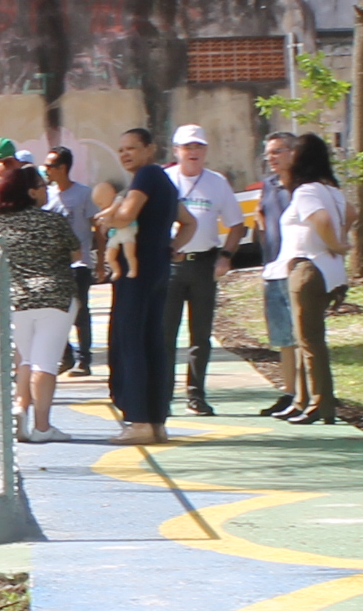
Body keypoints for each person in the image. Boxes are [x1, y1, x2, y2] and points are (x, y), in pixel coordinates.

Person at [0, 162, 83, 443]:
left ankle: (20, 407)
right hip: (56, 296)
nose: (47, 189)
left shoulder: (0, 220)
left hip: (17, 297)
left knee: (26, 359)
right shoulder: (53, 221)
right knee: (46, 364)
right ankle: (41, 427)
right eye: (42, 185)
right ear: (31, 192)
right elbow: (76, 253)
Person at [101, 126, 182, 444]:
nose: (125, 154)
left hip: (136, 275)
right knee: (151, 344)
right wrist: (174, 246)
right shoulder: (163, 181)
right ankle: (155, 419)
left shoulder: (147, 176)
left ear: (150, 148)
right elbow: (188, 222)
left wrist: (108, 216)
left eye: (132, 148)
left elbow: (126, 216)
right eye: (121, 150)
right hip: (156, 268)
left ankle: (137, 419)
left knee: (129, 342)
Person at [267, 134, 350, 424]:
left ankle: (320, 403)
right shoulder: (332, 190)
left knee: (311, 341)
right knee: (305, 339)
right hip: (328, 269)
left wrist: (335, 243)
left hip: (309, 268)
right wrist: (339, 244)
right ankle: (303, 399)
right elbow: (352, 213)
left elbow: (323, 220)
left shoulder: (306, 192)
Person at [163, 125, 244, 416]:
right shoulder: (165, 179)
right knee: (165, 333)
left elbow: (237, 225)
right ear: (176, 151)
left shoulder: (217, 183)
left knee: (200, 335)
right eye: (187, 147)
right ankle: (164, 395)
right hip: (171, 265)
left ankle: (196, 395)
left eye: (198, 147)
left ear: (206, 151)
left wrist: (225, 256)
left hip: (204, 264)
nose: (193, 153)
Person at [250, 132, 304, 418]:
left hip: (298, 268)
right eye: (268, 153)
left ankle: (309, 393)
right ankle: (290, 392)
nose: (272, 158)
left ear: (294, 153)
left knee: (303, 335)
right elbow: (262, 217)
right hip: (273, 266)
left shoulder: (305, 185)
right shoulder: (269, 185)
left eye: (278, 152)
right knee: (283, 337)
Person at [45, 147, 100, 374]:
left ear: (63, 168)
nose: (46, 170)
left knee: (79, 312)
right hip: (53, 265)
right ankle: (65, 355)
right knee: (55, 312)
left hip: (79, 264)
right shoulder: (47, 194)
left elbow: (98, 227)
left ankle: (85, 359)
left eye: (50, 166)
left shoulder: (84, 194)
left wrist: (101, 260)